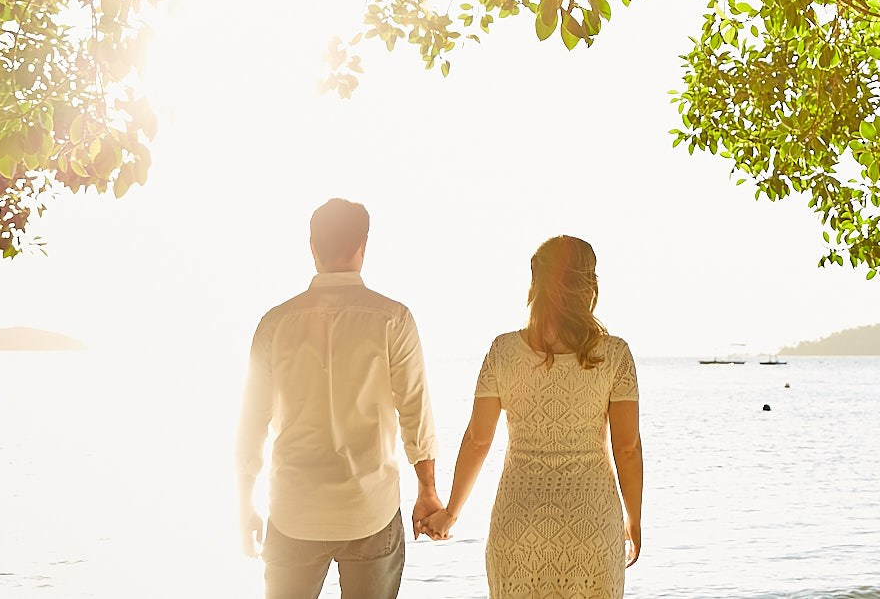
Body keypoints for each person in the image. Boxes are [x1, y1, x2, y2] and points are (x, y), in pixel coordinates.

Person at [236, 199, 440, 599]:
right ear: (363, 246)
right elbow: (415, 410)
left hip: (295, 510)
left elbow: (252, 422)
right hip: (369, 509)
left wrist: (245, 503)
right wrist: (427, 490)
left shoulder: (275, 323)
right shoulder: (393, 318)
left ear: (312, 248)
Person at [425, 235, 644, 597]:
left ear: (535, 282)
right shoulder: (615, 354)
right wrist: (633, 519)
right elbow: (628, 447)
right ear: (590, 284)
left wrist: (451, 512)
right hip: (590, 519)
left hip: (518, 519)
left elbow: (478, 440)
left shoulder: (504, 350)